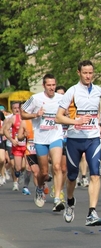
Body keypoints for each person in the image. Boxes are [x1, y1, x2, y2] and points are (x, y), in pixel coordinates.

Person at [55, 60, 101, 226]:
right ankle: (70, 201)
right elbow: (58, 117)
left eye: (91, 72)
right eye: (85, 73)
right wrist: (75, 121)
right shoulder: (72, 92)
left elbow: (95, 110)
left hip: (93, 138)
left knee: (96, 174)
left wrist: (99, 125)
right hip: (75, 139)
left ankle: (92, 212)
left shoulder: (98, 90)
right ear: (79, 73)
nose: (88, 76)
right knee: (72, 176)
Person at [21, 74, 65, 211]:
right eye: (49, 85)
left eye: (53, 85)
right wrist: (35, 115)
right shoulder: (36, 98)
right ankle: (40, 188)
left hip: (56, 136)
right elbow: (22, 113)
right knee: (44, 173)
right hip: (40, 139)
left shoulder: (61, 98)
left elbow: (66, 113)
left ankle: (57, 198)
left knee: (57, 166)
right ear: (44, 86)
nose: (52, 88)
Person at [3, 102, 26, 192]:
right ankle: (15, 183)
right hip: (12, 145)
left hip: (25, 145)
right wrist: (11, 139)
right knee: (14, 165)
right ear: (12, 109)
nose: (17, 110)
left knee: (24, 166)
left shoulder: (27, 119)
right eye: (14, 108)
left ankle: (20, 174)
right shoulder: (10, 118)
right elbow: (4, 130)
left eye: (18, 108)